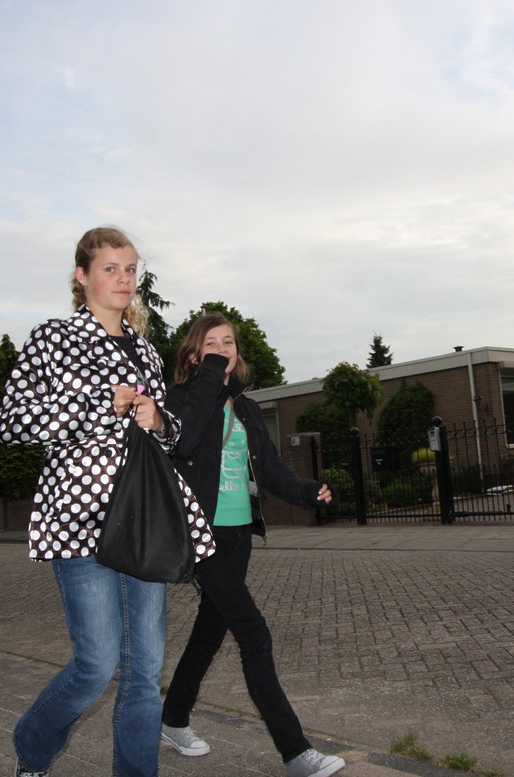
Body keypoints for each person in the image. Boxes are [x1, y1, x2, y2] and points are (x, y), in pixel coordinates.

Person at [0, 227, 215, 777]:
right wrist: (98, 403)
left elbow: (169, 436)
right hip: (80, 520)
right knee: (95, 665)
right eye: (111, 268)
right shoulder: (52, 338)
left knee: (145, 672)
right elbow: (12, 422)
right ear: (82, 275)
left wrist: (158, 420)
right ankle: (32, 746)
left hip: (144, 518)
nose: (124, 279)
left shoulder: (146, 351)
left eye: (131, 269)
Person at [159, 312, 345, 777]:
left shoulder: (247, 408)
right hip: (202, 533)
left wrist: (308, 492)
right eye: (211, 343)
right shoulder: (178, 401)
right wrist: (210, 381)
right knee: (253, 633)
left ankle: (172, 718)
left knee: (210, 631)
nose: (223, 349)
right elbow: (182, 444)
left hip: (238, 533)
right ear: (193, 354)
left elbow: (272, 469)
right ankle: (296, 752)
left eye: (228, 342)